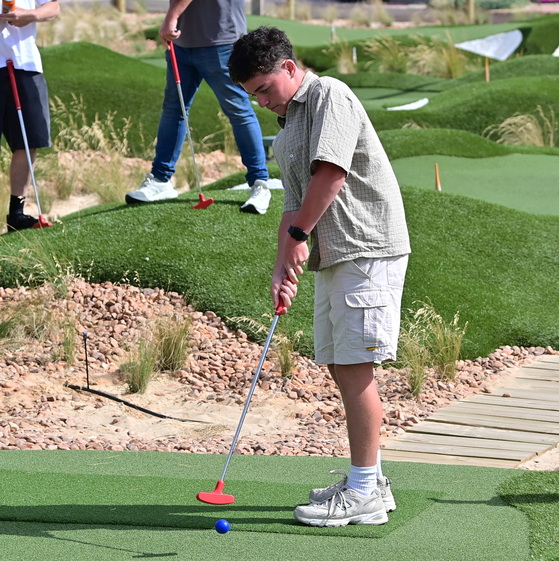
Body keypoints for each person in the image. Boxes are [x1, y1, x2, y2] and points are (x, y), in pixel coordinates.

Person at [228, 27, 411, 527]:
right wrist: (283, 264)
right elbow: (294, 202)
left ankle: (363, 492)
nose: (261, 102)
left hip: (367, 246)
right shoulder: (288, 127)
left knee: (354, 367)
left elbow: (331, 173)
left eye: (264, 88)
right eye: (252, 95)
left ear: (289, 68)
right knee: (340, 364)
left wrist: (299, 234)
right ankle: (371, 481)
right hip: (336, 254)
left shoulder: (330, 94)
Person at [125, 0, 272, 215]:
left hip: (221, 39)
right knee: (174, 109)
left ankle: (260, 183)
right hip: (181, 42)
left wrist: (171, 17)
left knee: (239, 111)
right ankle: (160, 180)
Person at [1, 0, 59, 231]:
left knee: (28, 141)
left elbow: (52, 8)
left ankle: (17, 214)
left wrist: (29, 15)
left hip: (25, 64)